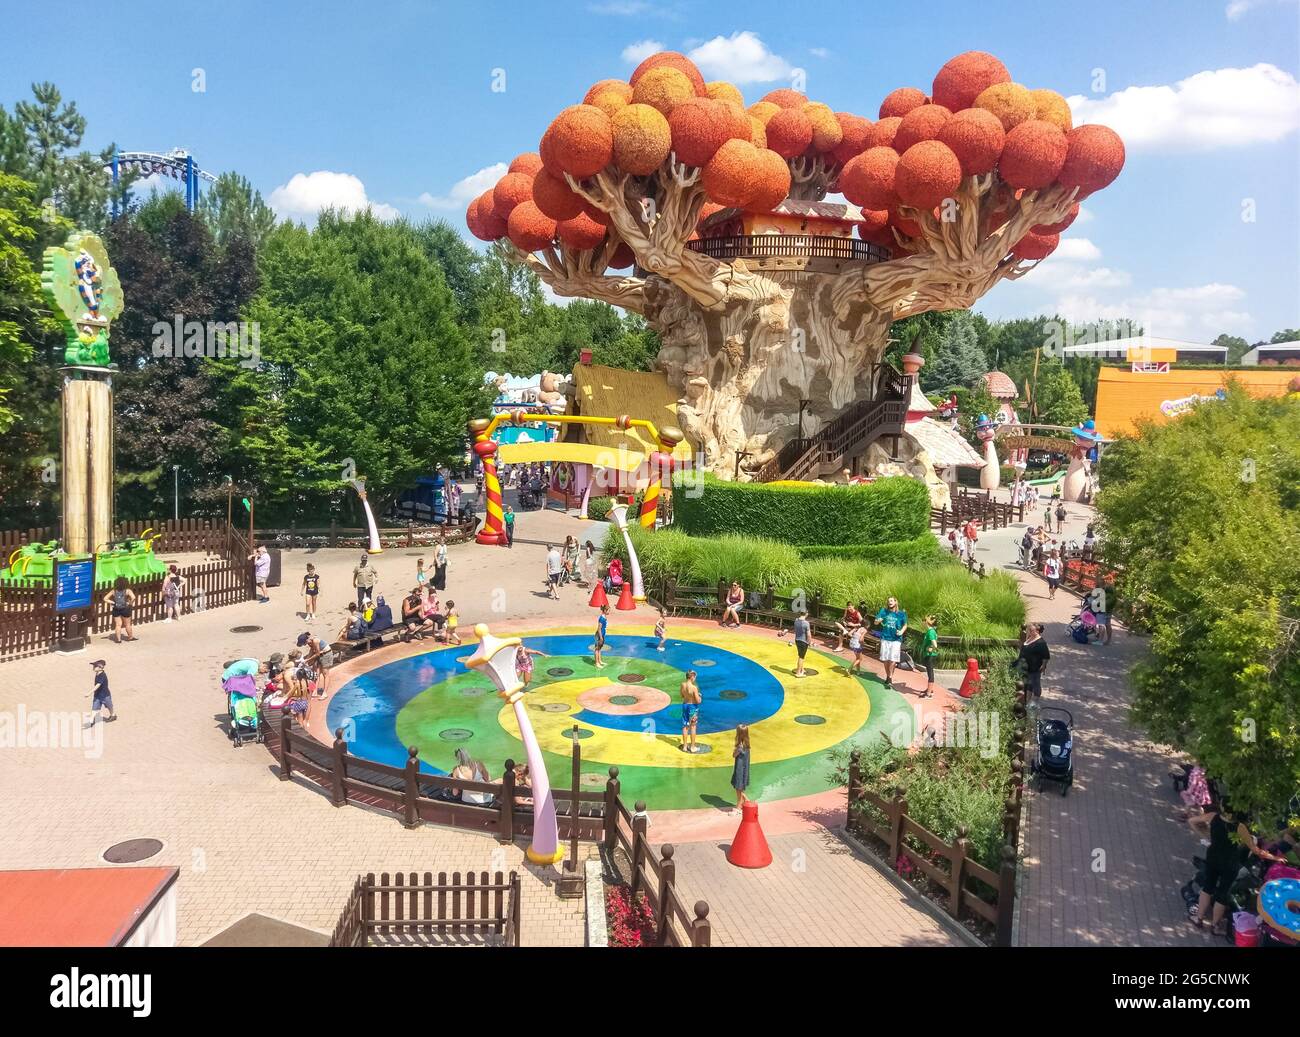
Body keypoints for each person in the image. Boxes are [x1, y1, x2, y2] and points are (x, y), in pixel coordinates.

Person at [1188, 792, 1247, 938]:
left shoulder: (1213, 817)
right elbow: (1248, 844)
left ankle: (1199, 919)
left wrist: (1205, 836)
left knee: (1207, 887)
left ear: (1222, 807)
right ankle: (1215, 926)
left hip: (1213, 857)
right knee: (1223, 894)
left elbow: (1192, 821)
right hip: (1230, 863)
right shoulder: (1240, 826)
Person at [873, 596, 908, 687]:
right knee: (885, 659)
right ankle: (888, 676)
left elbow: (905, 625)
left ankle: (890, 677)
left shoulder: (901, 614)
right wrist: (878, 620)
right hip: (885, 638)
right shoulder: (883, 611)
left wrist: (901, 632)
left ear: (896, 602)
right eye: (888, 601)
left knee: (893, 660)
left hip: (896, 639)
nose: (890, 602)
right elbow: (875, 622)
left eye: (891, 601)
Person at [1015, 623, 1050, 699]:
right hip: (1026, 667)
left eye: (1031, 630)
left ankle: (1036, 701)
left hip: (1035, 668)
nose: (1029, 632)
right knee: (1029, 684)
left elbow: (1046, 656)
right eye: (1029, 630)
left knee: (1036, 684)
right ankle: (1028, 702)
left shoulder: (1041, 643)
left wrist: (1043, 666)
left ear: (1037, 631)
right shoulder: (1030, 638)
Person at [298, 631, 335, 698]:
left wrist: (308, 660)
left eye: (304, 643)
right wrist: (306, 660)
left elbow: (317, 653)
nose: (305, 645)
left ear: (306, 640)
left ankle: (325, 693)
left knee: (325, 674)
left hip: (326, 655)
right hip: (319, 656)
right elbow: (312, 650)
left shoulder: (315, 641)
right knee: (316, 674)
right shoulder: (310, 642)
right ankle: (315, 690)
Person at [103, 577, 138, 643]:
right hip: (125, 609)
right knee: (127, 624)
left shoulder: (114, 591)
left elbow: (105, 598)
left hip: (116, 608)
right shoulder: (128, 590)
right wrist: (129, 603)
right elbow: (133, 597)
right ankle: (130, 637)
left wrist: (113, 602)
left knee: (118, 624)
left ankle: (118, 640)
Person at [87, 659, 117, 725]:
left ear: (100, 667)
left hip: (105, 695)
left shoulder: (102, 675)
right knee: (94, 707)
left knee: (109, 706)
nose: (93, 667)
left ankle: (113, 715)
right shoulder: (97, 673)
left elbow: (98, 685)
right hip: (97, 695)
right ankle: (91, 720)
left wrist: (89, 693)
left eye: (95, 666)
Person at [679, 669, 701, 753]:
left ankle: (685, 746)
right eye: (695, 677)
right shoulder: (694, 688)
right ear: (692, 677)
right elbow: (698, 701)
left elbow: (681, 695)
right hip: (692, 707)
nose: (695, 678)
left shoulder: (682, 685)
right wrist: (699, 696)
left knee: (685, 726)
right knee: (693, 726)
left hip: (685, 705)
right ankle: (692, 747)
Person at [731, 724, 751, 809]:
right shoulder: (747, 745)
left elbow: (734, 755)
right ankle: (746, 800)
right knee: (740, 787)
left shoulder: (740, 747)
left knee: (738, 788)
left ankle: (739, 806)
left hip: (740, 769)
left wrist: (736, 750)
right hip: (744, 769)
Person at [920, 615, 939, 698]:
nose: (922, 622)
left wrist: (930, 647)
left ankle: (929, 694)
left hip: (930, 655)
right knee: (929, 673)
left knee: (930, 673)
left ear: (926, 622)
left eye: (923, 620)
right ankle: (929, 689)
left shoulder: (931, 632)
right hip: (929, 655)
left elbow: (935, 644)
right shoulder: (930, 631)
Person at [793, 608, 811, 677]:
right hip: (804, 641)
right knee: (801, 657)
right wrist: (809, 642)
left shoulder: (796, 621)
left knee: (800, 655)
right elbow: (809, 635)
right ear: (806, 614)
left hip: (797, 640)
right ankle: (798, 673)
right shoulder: (806, 623)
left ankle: (802, 669)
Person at [593, 603, 609, 668]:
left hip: (602, 635)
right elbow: (599, 629)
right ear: (604, 610)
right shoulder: (601, 618)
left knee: (600, 648)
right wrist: (601, 637)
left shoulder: (604, 617)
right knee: (597, 649)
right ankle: (597, 663)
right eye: (608, 610)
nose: (609, 612)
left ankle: (600, 661)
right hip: (599, 635)